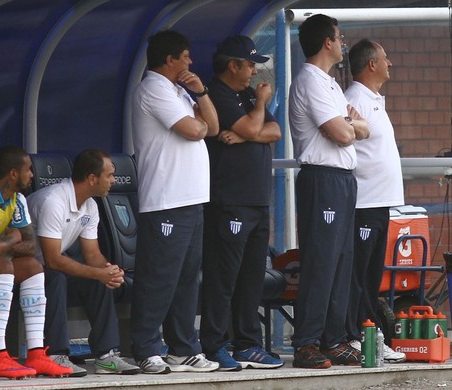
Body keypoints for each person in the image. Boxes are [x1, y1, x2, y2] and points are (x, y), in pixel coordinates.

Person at [130, 29, 220, 374]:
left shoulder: (180, 91)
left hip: (192, 198)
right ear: (170, 59)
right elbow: (194, 130)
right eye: (186, 56)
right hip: (166, 199)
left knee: (185, 278)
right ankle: (146, 348)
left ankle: (183, 348)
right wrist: (197, 118)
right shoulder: (153, 87)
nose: (191, 62)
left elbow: (210, 127)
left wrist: (201, 92)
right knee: (159, 277)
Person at [288, 14, 369, 369]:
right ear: (327, 43)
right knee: (321, 261)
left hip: (343, 179)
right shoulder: (310, 81)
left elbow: (360, 128)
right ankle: (307, 342)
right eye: (339, 38)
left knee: (340, 261)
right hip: (322, 178)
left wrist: (350, 124)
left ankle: (332, 340)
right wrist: (350, 125)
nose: (343, 43)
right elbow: (344, 133)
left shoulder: (332, 84)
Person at [198, 35, 284, 371]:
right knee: (223, 278)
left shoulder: (247, 93)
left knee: (251, 277)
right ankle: (215, 344)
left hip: (258, 201)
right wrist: (260, 107)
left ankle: (247, 343)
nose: (253, 70)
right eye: (249, 64)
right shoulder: (216, 93)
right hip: (229, 201)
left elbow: (274, 132)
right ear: (232, 65)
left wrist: (250, 131)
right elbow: (253, 123)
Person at [27, 149, 141, 376]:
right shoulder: (53, 201)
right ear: (92, 178)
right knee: (57, 277)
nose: (113, 181)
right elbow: (52, 260)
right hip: (23, 270)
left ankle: (106, 356)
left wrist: (108, 270)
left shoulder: (90, 205)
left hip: (49, 266)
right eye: (109, 175)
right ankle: (56, 354)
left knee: (99, 281)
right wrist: (97, 272)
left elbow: (92, 255)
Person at [0, 146, 72, 379]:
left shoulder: (17, 199)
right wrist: (12, 237)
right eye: (28, 170)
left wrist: (4, 242)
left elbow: (31, 246)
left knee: (32, 266)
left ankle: (36, 353)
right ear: (13, 174)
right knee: (2, 264)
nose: (32, 174)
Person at [343, 39, 406, 364]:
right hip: (363, 203)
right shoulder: (354, 99)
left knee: (371, 275)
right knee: (361, 275)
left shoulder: (373, 100)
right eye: (385, 58)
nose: (389, 63)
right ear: (371, 65)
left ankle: (368, 333)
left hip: (380, 203)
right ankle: (358, 335)